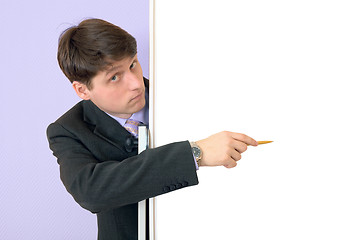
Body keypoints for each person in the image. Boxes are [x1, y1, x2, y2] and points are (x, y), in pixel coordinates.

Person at [46, 18, 258, 240]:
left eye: (133, 64)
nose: (136, 83)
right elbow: (90, 191)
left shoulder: (182, 92)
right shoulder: (67, 129)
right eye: (115, 77)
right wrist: (195, 153)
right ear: (82, 90)